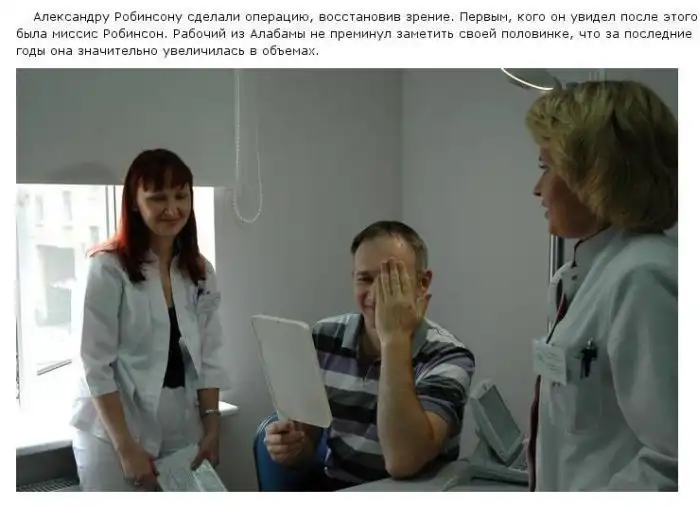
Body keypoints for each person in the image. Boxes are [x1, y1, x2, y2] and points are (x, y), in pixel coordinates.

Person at [524, 81, 678, 491]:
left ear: (594, 174)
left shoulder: (643, 277)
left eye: (546, 167)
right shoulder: (583, 275)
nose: (537, 188)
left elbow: (677, 463)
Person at [263, 220, 476, 490]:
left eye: (391, 280)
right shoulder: (324, 337)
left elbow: (403, 461)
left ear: (422, 283)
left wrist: (394, 339)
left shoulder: (449, 356)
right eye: (364, 279)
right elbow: (307, 448)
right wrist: (292, 448)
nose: (375, 295)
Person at [69, 149, 231, 491]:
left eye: (181, 196)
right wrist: (125, 447)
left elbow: (210, 355)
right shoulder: (107, 268)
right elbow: (94, 365)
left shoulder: (199, 271)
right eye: (158, 198)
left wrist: (212, 426)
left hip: (180, 426)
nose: (172, 209)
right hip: (113, 433)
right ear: (134, 202)